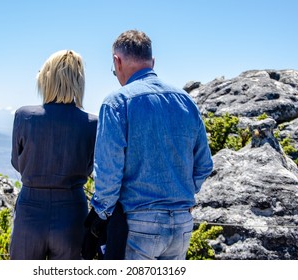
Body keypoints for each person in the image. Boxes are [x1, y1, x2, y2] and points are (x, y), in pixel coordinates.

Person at [89, 30, 213, 260]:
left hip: (138, 225)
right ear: (152, 62)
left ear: (117, 61)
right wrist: (181, 196)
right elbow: (204, 164)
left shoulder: (117, 102)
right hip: (182, 225)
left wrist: (99, 214)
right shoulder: (185, 101)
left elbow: (109, 171)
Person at [9, 50, 98, 260]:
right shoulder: (92, 123)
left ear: (46, 79)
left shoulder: (25, 116)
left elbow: (16, 162)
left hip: (30, 210)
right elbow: (89, 167)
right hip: (72, 212)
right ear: (78, 82)